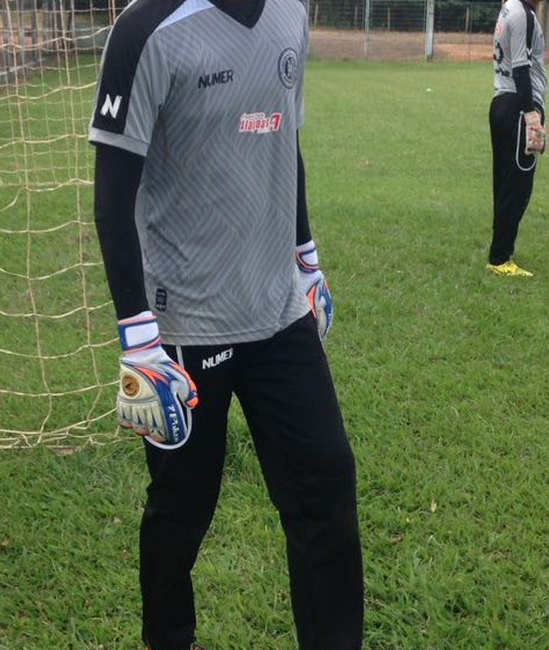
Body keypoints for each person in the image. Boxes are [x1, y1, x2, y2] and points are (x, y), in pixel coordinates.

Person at [88, 0, 363, 647]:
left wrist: (308, 259)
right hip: (181, 333)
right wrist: (138, 338)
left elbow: (285, 145)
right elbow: (111, 199)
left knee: (327, 490)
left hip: (279, 316)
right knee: (180, 514)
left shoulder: (292, 15)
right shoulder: (144, 30)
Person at [488, 0, 547, 277]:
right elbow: (522, 69)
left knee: (504, 184)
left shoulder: (509, 7)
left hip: (501, 102)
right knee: (518, 187)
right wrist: (531, 115)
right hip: (517, 107)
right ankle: (500, 257)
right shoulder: (522, 13)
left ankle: (501, 249)